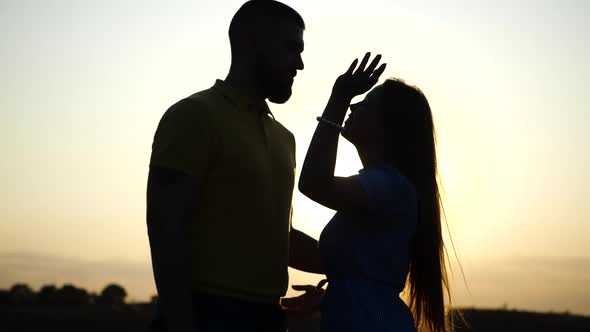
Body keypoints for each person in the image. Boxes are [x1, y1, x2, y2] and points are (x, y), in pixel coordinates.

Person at [146, 1, 322, 331]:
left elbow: (278, 239)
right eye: (290, 48)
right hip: (207, 311)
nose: (299, 63)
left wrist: (353, 265)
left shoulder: (285, 138)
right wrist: (182, 325)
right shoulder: (194, 115)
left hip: (268, 317)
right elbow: (164, 226)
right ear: (251, 41)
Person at [294, 53, 452, 332]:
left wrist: (339, 98)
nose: (354, 106)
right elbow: (356, 266)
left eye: (365, 103)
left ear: (388, 126)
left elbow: (313, 183)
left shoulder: (390, 187)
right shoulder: (384, 187)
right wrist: (334, 295)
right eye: (355, 100)